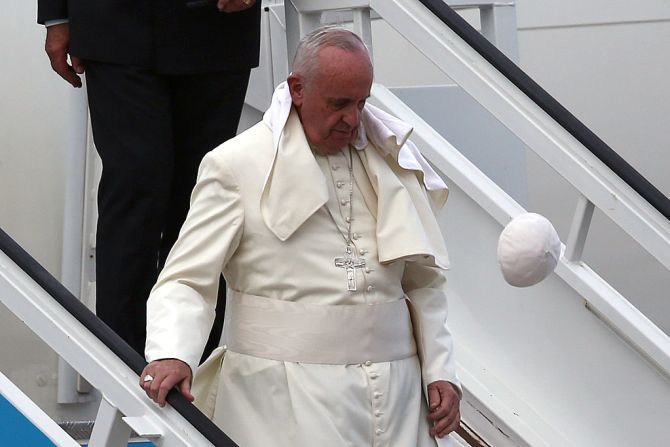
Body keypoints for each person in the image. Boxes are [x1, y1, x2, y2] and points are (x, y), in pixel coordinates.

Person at [141, 26, 461, 446]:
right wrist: (171, 352)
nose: (352, 119)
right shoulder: (235, 164)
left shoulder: (391, 161)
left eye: (362, 103)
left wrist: (441, 371)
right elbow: (186, 278)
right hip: (277, 402)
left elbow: (423, 280)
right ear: (297, 89)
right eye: (339, 103)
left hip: (398, 401)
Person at [37, 0, 261, 356]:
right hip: (111, 23)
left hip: (217, 26)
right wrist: (57, 14)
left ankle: (189, 370)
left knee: (203, 197)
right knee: (134, 184)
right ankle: (121, 367)